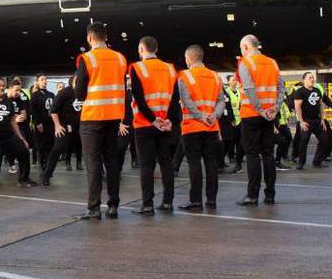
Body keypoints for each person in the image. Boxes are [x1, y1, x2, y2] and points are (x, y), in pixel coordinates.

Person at [73, 22, 127, 220]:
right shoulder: (120, 58)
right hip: (113, 116)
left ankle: (94, 207)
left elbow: (79, 91)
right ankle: (113, 205)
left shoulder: (87, 58)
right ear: (106, 37)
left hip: (93, 117)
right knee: (112, 161)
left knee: (93, 162)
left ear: (89, 38)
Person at [127, 36, 180, 215]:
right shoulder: (170, 69)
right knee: (166, 162)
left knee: (147, 165)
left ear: (142, 49)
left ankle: (147, 204)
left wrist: (152, 119)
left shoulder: (137, 68)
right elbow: (174, 98)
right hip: (165, 124)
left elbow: (139, 98)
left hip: (144, 124)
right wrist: (169, 120)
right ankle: (167, 202)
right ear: (156, 49)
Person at [236, 34, 287, 206]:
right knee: (268, 154)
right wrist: (275, 108)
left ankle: (252, 195)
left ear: (246, 47)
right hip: (270, 116)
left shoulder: (246, 64)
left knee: (252, 155)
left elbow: (250, 89)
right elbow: (281, 87)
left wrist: (260, 110)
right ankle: (270, 194)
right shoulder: (272, 63)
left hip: (252, 114)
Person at [176, 45, 226, 211]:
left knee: (194, 164)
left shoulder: (184, 76)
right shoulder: (215, 76)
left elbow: (186, 101)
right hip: (211, 127)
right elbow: (221, 101)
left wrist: (200, 116)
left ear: (189, 58)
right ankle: (211, 200)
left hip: (192, 126)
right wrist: (214, 115)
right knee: (211, 163)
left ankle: (195, 200)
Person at [41, 75, 82, 184]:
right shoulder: (64, 92)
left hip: (82, 126)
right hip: (64, 125)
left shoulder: (85, 92)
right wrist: (58, 126)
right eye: (78, 80)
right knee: (58, 148)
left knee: (95, 147)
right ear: (72, 81)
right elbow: (53, 111)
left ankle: (101, 174)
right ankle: (46, 175)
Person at [292, 71, 332, 169]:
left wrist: (322, 120)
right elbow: (297, 107)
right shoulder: (300, 92)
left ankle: (317, 161)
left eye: (313, 78)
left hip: (317, 120)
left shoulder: (317, 91)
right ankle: (301, 163)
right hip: (306, 121)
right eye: (310, 78)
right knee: (304, 141)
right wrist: (301, 122)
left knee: (325, 139)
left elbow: (321, 105)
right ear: (304, 80)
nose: (312, 79)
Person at [31, 75, 55, 172]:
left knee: (50, 144)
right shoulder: (35, 95)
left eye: (45, 79)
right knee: (41, 146)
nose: (44, 81)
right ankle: (42, 165)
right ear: (37, 82)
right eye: (42, 80)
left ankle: (48, 164)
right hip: (40, 124)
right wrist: (37, 123)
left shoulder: (51, 94)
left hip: (50, 123)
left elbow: (54, 108)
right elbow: (33, 110)